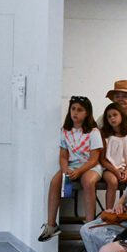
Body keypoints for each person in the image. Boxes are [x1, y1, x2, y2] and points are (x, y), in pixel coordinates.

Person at [38, 96, 102, 241]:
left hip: (89, 166)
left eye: (80, 110)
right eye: (73, 109)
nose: (75, 112)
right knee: (54, 182)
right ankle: (51, 225)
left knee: (88, 182)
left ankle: (89, 226)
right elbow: (63, 155)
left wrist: (79, 171)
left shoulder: (93, 132)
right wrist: (65, 169)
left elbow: (94, 158)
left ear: (87, 113)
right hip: (71, 166)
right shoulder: (65, 131)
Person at [99, 102, 127, 209]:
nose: (112, 118)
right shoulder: (105, 135)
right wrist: (115, 171)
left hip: (126, 168)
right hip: (109, 169)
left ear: (122, 115)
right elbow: (102, 159)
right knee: (112, 181)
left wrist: (126, 171)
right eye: (109, 116)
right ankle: (109, 211)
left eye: (115, 115)